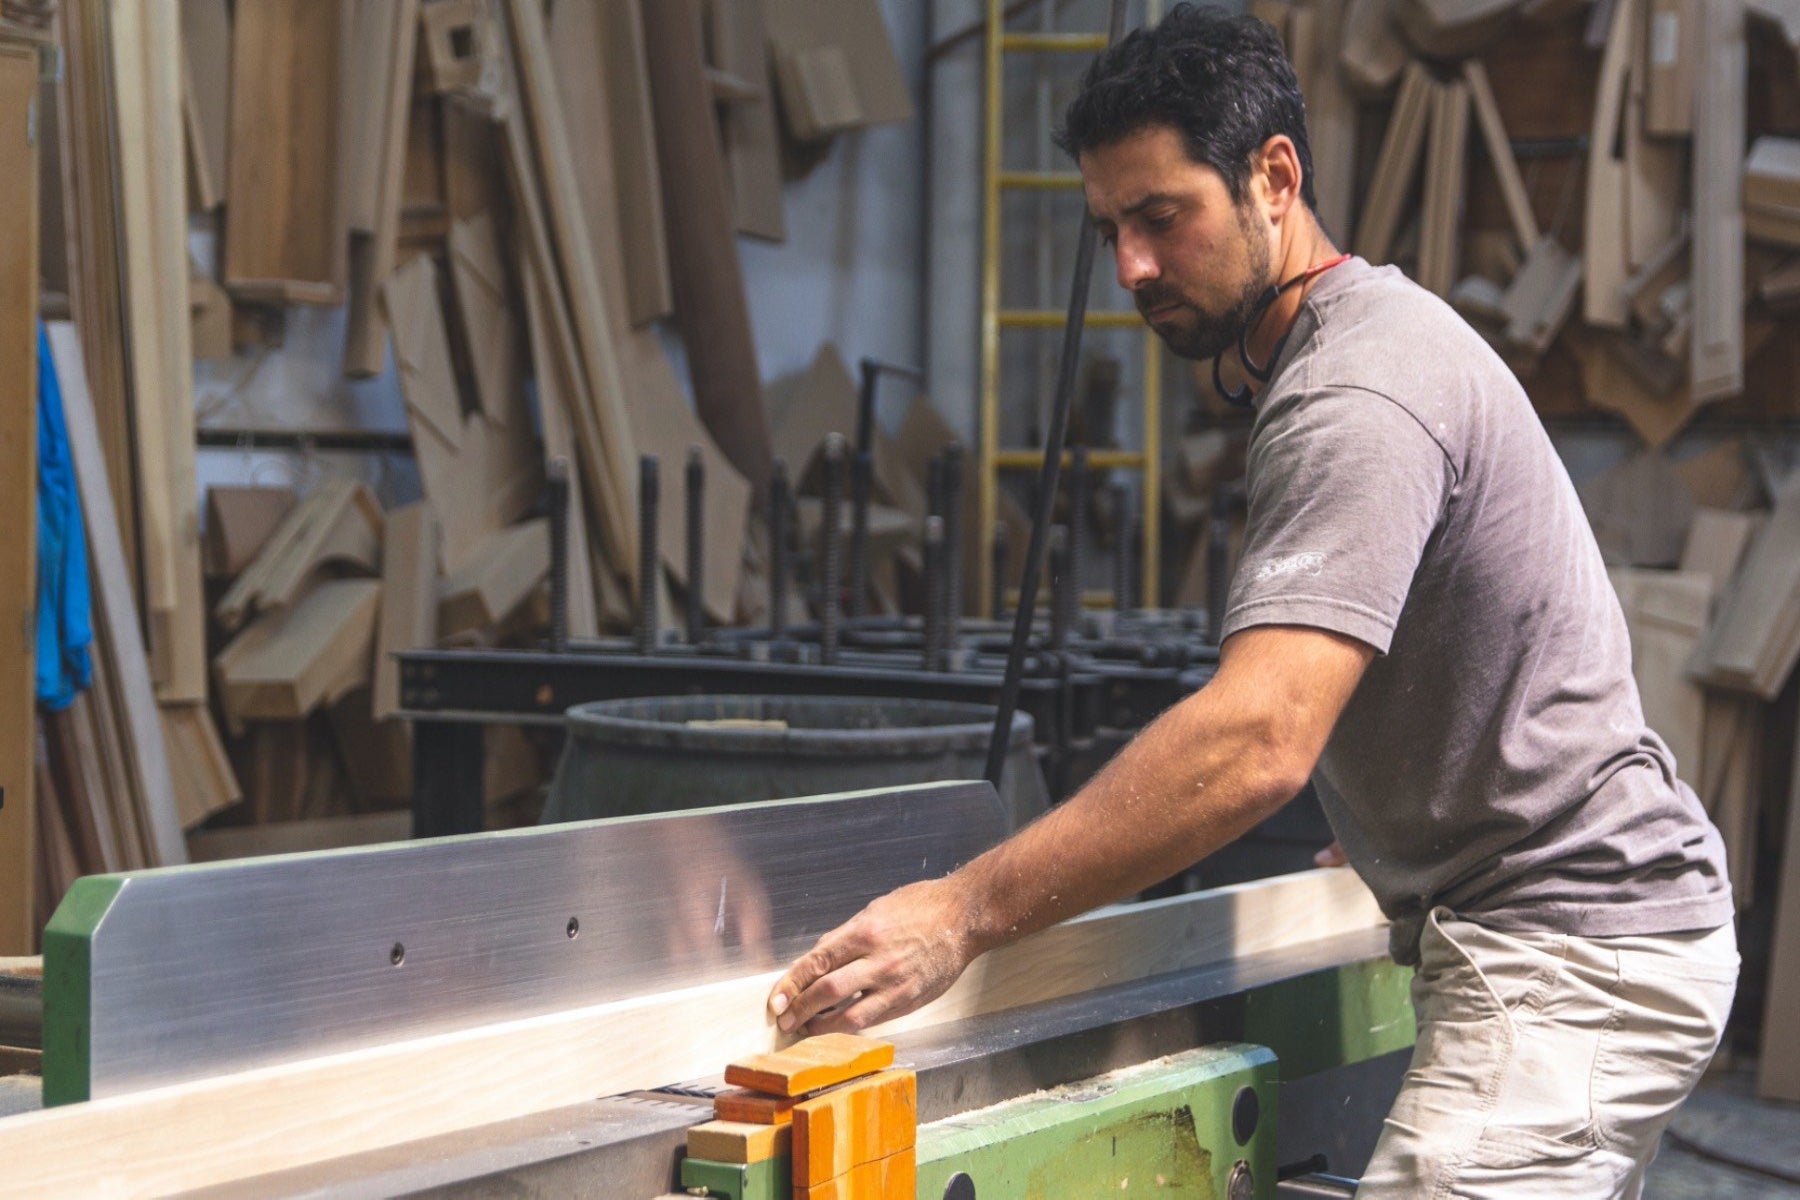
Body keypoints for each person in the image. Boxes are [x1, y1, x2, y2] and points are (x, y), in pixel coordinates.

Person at [765, 6, 1738, 1196]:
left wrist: (959, 914)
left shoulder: (1355, 395)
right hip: (1583, 920)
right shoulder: (1367, 341)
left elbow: (1258, 740)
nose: (1129, 264)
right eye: (1110, 227)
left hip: (1564, 952)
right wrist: (1401, 806)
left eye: (1161, 217)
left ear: (1274, 177)